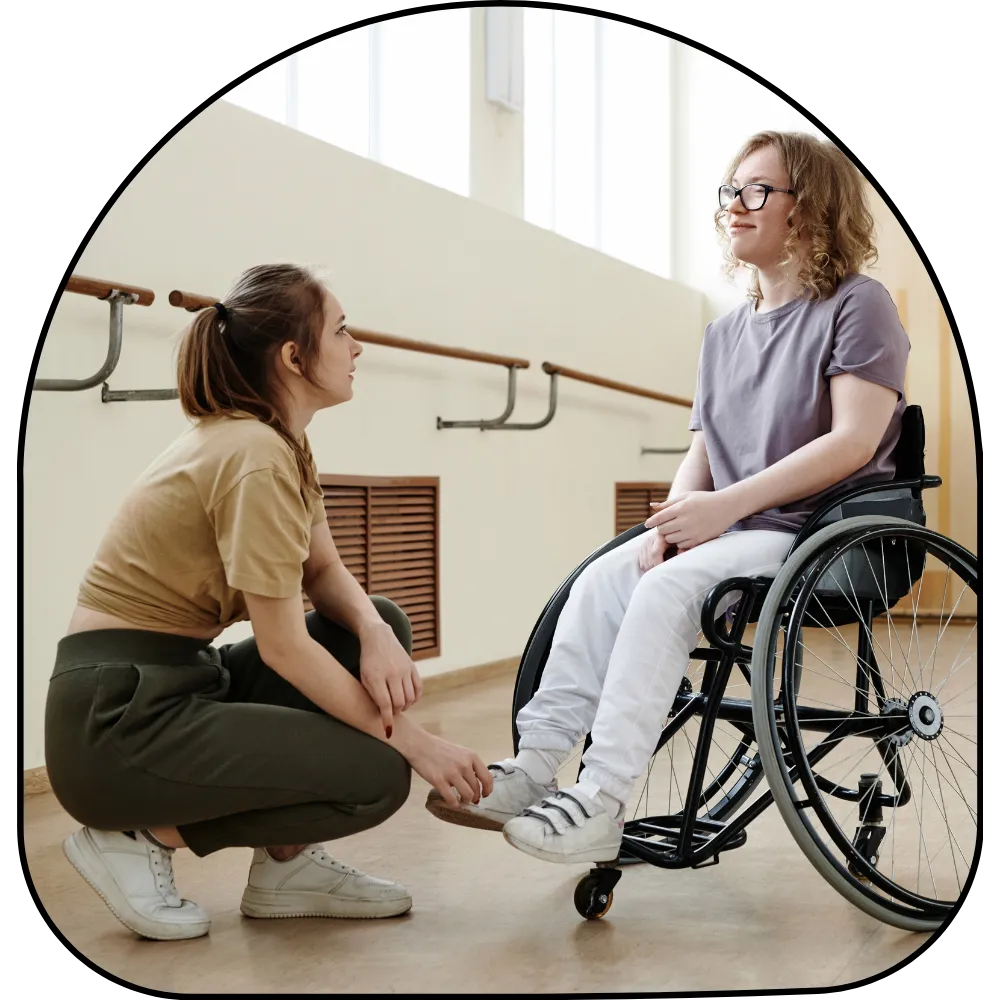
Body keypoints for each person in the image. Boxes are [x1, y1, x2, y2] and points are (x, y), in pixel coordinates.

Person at [426, 130, 909, 865]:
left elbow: (853, 441)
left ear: (808, 208)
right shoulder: (722, 334)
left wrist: (718, 512)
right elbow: (705, 449)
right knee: (605, 577)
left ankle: (602, 799)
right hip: (740, 528)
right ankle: (533, 767)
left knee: (668, 590)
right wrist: (672, 521)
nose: (734, 208)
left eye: (756, 192)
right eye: (730, 192)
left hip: (823, 526)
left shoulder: (857, 304)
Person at [44, 263, 493, 940]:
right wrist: (418, 743)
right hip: (116, 719)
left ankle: (285, 869)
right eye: (341, 331)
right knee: (376, 772)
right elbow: (284, 647)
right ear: (293, 356)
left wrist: (372, 631)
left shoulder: (279, 440)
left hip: (176, 681)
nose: (357, 347)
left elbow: (325, 571)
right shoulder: (253, 454)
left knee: (381, 621)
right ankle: (139, 838)